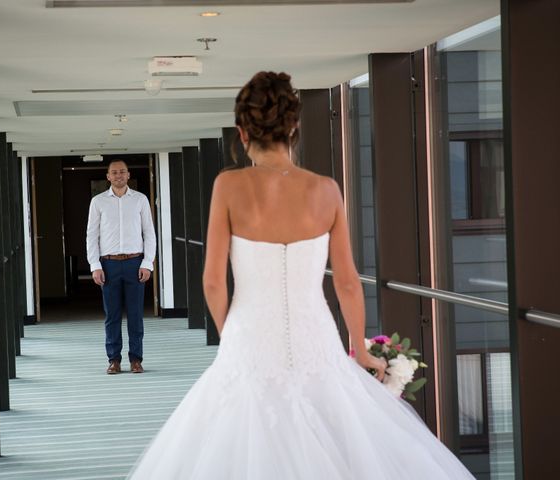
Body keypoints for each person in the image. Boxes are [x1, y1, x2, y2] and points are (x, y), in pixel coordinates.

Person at [126, 72, 473, 479]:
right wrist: (360, 352)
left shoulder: (229, 185)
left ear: (242, 133)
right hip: (317, 341)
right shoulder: (326, 190)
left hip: (249, 340)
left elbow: (213, 282)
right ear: (294, 128)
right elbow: (346, 281)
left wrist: (232, 334)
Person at [86, 159, 156, 375]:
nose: (118, 175)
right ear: (108, 176)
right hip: (108, 265)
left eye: (122, 172)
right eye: (114, 172)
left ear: (128, 175)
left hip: (135, 263)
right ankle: (113, 360)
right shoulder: (98, 202)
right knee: (112, 315)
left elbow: (149, 233)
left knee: (135, 315)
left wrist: (148, 263)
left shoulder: (140, 200)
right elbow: (92, 235)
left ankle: (136, 359)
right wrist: (95, 265)